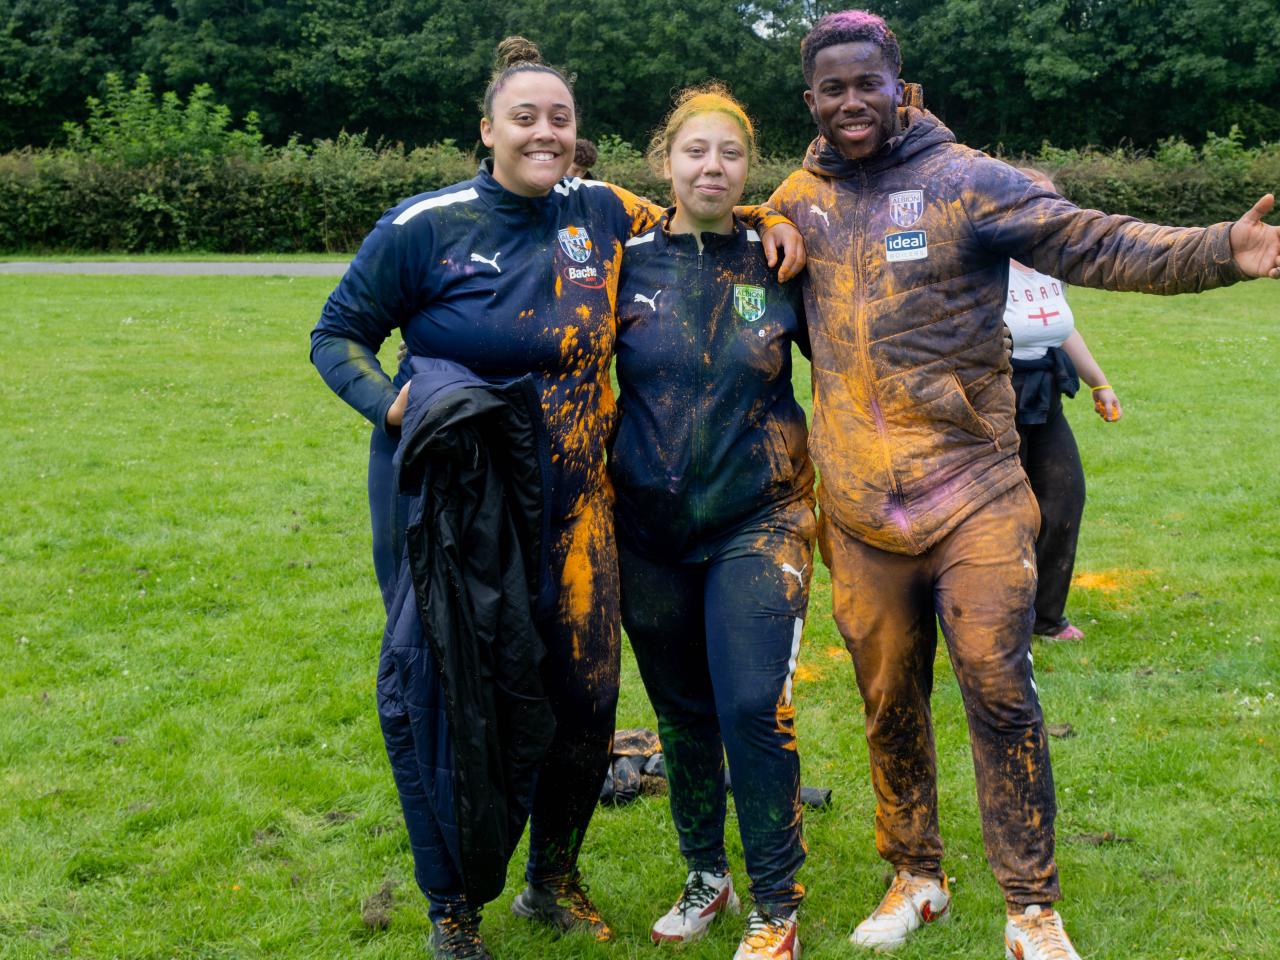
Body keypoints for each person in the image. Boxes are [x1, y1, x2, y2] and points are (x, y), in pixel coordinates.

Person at [767, 10, 1280, 960]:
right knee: (888, 702)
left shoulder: (966, 182)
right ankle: (915, 875)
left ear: (899, 86)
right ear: (811, 100)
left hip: (974, 491)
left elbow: (1094, 241)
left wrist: (1219, 250)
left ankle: (1030, 907)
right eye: (831, 88)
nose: (850, 103)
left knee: (1000, 690)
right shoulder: (797, 201)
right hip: (862, 508)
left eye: (865, 84)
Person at [310, 37, 803, 960]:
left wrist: (776, 212)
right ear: (488, 129)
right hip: (459, 505)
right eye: (525, 117)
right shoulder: (425, 224)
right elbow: (336, 335)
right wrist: (391, 402)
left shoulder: (604, 211)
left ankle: (553, 880)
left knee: (582, 696)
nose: (544, 132)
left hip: (580, 503)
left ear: (579, 135)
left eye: (560, 118)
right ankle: (451, 911)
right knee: (447, 688)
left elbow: (703, 205)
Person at [610, 83, 813, 960]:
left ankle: (777, 903)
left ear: (748, 168)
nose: (712, 167)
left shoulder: (780, 264)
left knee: (748, 705)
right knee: (682, 713)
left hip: (757, 520)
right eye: (696, 151)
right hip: (645, 528)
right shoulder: (622, 261)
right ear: (666, 162)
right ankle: (706, 873)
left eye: (730, 154)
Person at [1006, 167, 1122, 642]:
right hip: (994, 398)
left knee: (1063, 498)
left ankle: (1046, 617)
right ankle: (995, 618)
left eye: (1050, 201)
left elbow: (1062, 326)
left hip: (1046, 395)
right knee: (1004, 515)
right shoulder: (982, 261)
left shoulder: (1049, 263)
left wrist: (1100, 383)